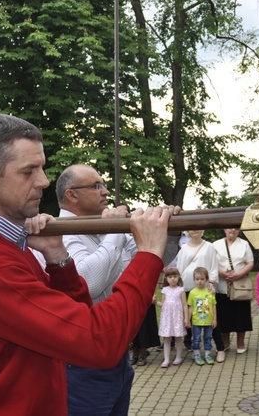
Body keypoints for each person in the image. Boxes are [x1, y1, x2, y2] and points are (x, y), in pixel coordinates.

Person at [0, 112, 176, 416]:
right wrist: (149, 254)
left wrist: (58, 258)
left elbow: (74, 318)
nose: (44, 182)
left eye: (42, 168)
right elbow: (97, 341)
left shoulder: (5, 246)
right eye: (29, 171)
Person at [55, 164, 179, 413]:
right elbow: (87, 283)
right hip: (82, 363)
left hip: (118, 355)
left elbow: (151, 259)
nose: (106, 192)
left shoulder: (105, 226)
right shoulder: (58, 232)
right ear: (72, 195)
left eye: (104, 185)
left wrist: (169, 230)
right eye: (96, 186)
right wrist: (114, 231)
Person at [175, 229, 225, 361]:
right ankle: (194, 348)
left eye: (197, 228)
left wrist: (212, 282)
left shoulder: (209, 246)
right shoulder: (183, 248)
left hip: (205, 289)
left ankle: (220, 349)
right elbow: (179, 268)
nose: (194, 231)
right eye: (192, 229)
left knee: (210, 318)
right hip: (188, 288)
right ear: (188, 232)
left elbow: (213, 267)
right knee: (191, 319)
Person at [213, 228, 253, 354]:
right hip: (222, 286)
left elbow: (250, 263)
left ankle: (240, 343)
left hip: (239, 285)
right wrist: (222, 273)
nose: (233, 230)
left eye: (236, 228)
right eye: (230, 228)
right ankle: (225, 343)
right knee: (224, 315)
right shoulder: (216, 245)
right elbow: (212, 262)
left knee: (241, 315)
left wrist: (238, 275)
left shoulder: (244, 244)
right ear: (224, 229)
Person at [156, 267, 188, 367]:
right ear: (166, 278)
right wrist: (156, 302)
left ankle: (178, 357)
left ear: (178, 277)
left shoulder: (181, 290)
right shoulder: (165, 290)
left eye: (175, 276)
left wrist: (186, 318)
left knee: (178, 337)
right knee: (167, 338)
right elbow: (163, 304)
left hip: (177, 317)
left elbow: (184, 305)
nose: (173, 279)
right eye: (170, 277)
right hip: (168, 318)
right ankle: (166, 359)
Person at [187, 267, 216, 366]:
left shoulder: (210, 292)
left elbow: (213, 306)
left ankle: (207, 354)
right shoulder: (192, 292)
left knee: (208, 337)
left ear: (207, 279)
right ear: (194, 280)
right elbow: (190, 307)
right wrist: (188, 319)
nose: (200, 281)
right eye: (197, 279)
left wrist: (215, 319)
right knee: (196, 338)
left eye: (202, 279)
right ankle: (197, 355)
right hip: (196, 321)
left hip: (208, 320)